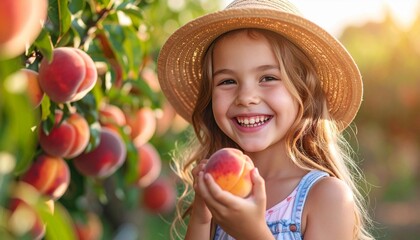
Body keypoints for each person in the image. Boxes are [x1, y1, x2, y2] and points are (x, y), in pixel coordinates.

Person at [157, 0, 374, 239]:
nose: (246, 97)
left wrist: (253, 233)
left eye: (268, 77)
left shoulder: (326, 197)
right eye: (227, 81)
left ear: (304, 92)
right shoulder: (223, 189)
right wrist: (202, 215)